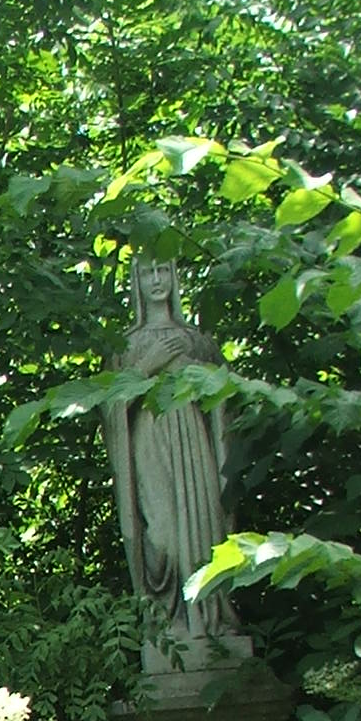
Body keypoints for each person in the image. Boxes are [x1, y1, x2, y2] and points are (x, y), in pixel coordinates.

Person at [104, 257, 242, 663]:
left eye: (164, 271)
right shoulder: (126, 345)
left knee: (203, 530)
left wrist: (199, 372)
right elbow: (112, 409)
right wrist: (146, 368)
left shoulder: (197, 340)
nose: (157, 280)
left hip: (193, 442)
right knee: (160, 535)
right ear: (136, 281)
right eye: (148, 273)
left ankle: (209, 623)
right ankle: (170, 621)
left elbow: (223, 404)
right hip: (150, 441)